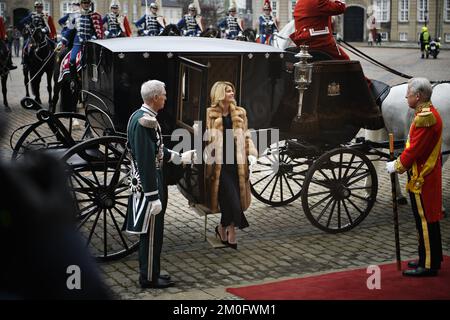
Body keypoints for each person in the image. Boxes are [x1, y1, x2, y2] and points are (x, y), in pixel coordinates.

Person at [126, 80, 196, 289]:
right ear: (155, 97)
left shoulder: (143, 117)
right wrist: (152, 196)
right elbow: (147, 162)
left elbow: (157, 150)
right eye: (164, 95)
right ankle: (148, 278)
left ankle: (152, 272)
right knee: (151, 235)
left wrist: (179, 157)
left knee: (154, 235)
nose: (166, 97)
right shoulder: (144, 121)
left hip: (152, 181)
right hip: (150, 185)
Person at [386, 77, 443, 277]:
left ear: (418, 97)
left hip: (423, 177)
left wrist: (397, 165)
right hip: (422, 175)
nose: (406, 97)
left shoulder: (425, 118)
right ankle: (429, 257)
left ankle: (428, 265)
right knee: (426, 221)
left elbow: (415, 150)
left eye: (408, 94)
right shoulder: (424, 113)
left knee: (425, 220)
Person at [204, 81, 258, 249]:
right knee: (233, 199)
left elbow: (246, 135)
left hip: (237, 162)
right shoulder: (210, 113)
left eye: (232, 90)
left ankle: (223, 228)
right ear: (220, 94)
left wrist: (251, 154)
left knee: (230, 200)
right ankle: (231, 231)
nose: (232, 93)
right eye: (228, 91)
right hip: (219, 165)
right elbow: (205, 138)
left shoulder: (240, 112)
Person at [59, 0, 102, 84]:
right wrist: (63, 41)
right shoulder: (73, 15)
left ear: (90, 4)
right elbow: (69, 30)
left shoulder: (93, 15)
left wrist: (94, 36)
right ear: (81, 4)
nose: (86, 5)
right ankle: (73, 80)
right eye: (84, 3)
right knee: (72, 59)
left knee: (98, 59)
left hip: (90, 42)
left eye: (88, 3)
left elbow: (96, 30)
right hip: (77, 43)